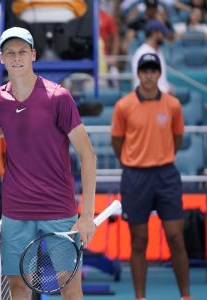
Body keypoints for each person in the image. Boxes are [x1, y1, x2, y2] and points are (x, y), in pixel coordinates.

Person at [0, 27, 97, 300]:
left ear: (33, 55)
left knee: (70, 285)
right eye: (10, 53)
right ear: (2, 58)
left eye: (22, 52)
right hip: (15, 211)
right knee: (17, 287)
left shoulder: (58, 97)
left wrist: (86, 214)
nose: (16, 57)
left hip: (59, 209)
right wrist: (3, 130)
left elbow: (88, 155)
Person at [111, 53, 191, 300]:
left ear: (159, 73)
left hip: (166, 175)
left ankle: (186, 296)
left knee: (176, 237)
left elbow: (177, 138)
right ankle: (140, 297)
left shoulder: (172, 105)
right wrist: (134, 162)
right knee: (138, 240)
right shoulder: (123, 105)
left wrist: (161, 156)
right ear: (138, 74)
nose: (148, 75)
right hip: (135, 176)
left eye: (153, 70)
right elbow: (117, 142)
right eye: (144, 70)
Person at [131, 20, 172, 93]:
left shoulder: (159, 51)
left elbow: (162, 80)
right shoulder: (142, 53)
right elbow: (142, 81)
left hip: (161, 98)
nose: (164, 36)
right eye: (162, 33)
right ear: (154, 33)